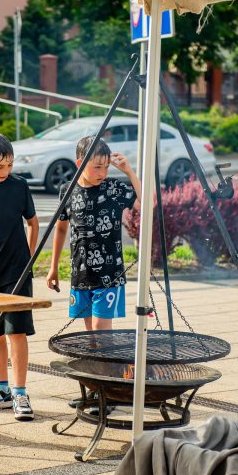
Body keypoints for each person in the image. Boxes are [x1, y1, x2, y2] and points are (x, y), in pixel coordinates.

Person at [46, 135, 141, 331]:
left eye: (106, 167)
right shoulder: (68, 189)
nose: (103, 173)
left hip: (109, 272)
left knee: (101, 330)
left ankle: (107, 362)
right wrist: (53, 267)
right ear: (80, 163)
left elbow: (146, 203)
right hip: (80, 272)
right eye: (97, 167)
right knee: (89, 332)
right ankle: (98, 362)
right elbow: (61, 227)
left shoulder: (112, 188)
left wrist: (129, 172)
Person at [0, 133, 39, 421]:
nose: (6, 172)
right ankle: (0, 390)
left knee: (17, 332)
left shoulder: (18, 186)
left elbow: (33, 222)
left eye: (10, 165)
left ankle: (20, 392)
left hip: (17, 270)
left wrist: (31, 256)